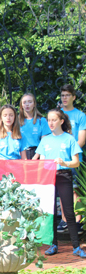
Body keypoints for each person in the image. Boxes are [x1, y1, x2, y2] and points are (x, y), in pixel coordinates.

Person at [33, 109, 86, 258]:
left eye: (54, 120)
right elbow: (42, 162)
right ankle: (53, 244)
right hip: (49, 178)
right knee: (50, 212)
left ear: (61, 121)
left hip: (64, 175)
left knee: (69, 212)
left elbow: (76, 163)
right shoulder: (45, 140)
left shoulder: (69, 139)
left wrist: (64, 162)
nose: (50, 123)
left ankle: (76, 246)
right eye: (49, 120)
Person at [59, 84, 86, 232]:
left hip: (74, 158)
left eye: (67, 95)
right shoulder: (57, 114)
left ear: (73, 97)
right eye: (62, 95)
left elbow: (81, 140)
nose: (64, 98)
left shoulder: (80, 116)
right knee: (62, 189)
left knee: (75, 188)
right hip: (60, 159)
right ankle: (64, 220)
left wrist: (71, 153)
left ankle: (77, 220)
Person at [19, 93, 51, 160]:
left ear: (34, 104)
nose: (27, 104)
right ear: (21, 105)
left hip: (37, 153)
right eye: (24, 102)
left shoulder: (41, 121)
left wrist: (36, 156)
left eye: (30, 102)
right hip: (21, 154)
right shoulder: (17, 121)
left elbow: (44, 141)